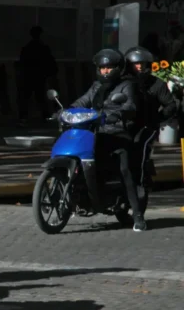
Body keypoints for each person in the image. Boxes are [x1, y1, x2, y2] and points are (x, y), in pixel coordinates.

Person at [71, 49, 145, 232]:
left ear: (118, 68)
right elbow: (82, 101)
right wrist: (67, 111)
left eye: (109, 68)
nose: (105, 71)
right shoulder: (96, 86)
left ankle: (138, 216)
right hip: (97, 133)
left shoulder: (127, 85)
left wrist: (116, 114)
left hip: (118, 134)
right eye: (102, 68)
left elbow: (130, 105)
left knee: (125, 170)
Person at [124, 46, 177, 184]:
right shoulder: (123, 82)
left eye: (143, 64)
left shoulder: (156, 84)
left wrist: (157, 119)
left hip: (146, 126)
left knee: (139, 149)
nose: (140, 67)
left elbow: (170, 105)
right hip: (124, 125)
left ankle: (139, 182)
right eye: (136, 64)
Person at [17, 26, 57, 126]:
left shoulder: (27, 47)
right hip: (39, 76)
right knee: (40, 97)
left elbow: (22, 63)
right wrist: (50, 74)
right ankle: (45, 116)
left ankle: (23, 117)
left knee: (27, 97)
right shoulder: (43, 47)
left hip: (29, 76)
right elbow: (50, 62)